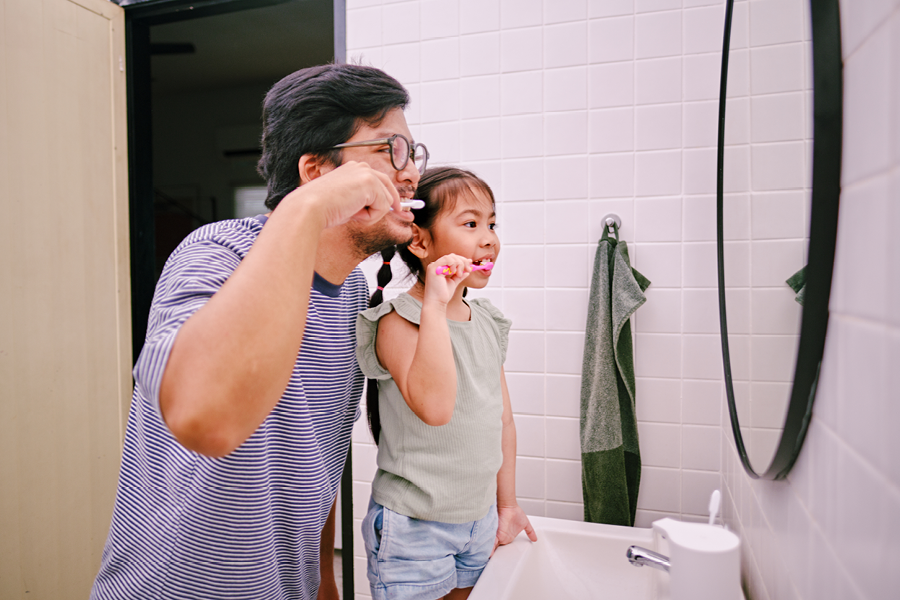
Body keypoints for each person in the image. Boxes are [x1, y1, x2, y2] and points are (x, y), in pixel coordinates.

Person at [91, 64, 427, 600]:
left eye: (414, 152)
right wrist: (308, 208)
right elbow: (207, 417)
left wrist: (323, 579)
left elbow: (317, 456)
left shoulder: (349, 293)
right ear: (316, 171)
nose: (410, 173)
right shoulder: (217, 252)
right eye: (391, 149)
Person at [355, 167, 538, 600]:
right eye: (471, 224)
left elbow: (503, 422)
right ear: (419, 242)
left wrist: (506, 506)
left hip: (479, 521)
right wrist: (435, 304)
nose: (490, 237)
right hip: (413, 526)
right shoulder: (398, 321)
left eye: (492, 224)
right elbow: (435, 408)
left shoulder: (487, 321)